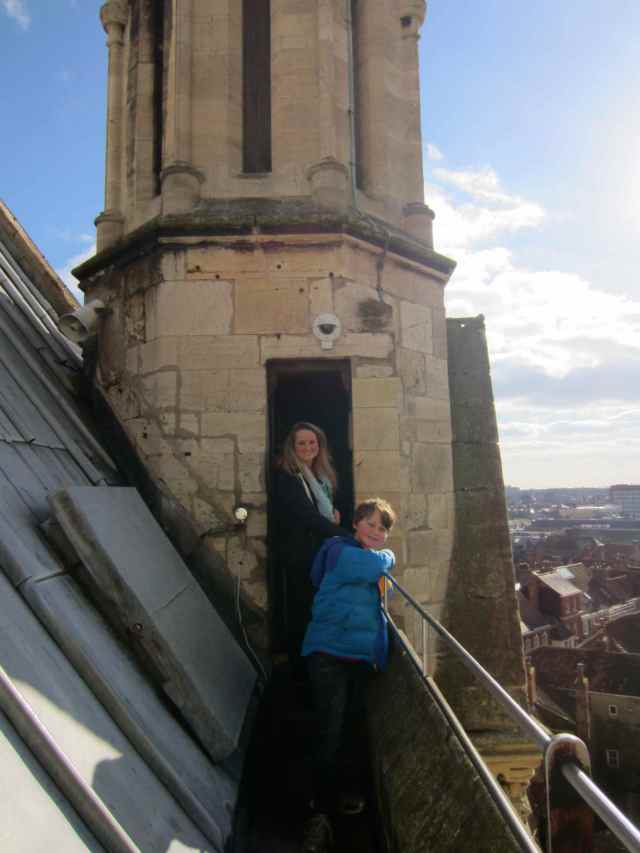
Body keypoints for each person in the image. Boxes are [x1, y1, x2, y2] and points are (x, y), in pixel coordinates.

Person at [300, 498, 396, 853]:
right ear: (355, 524)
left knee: (349, 728)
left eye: (382, 528)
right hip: (328, 653)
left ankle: (335, 799)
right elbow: (374, 567)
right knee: (330, 728)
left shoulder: (354, 553)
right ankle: (318, 812)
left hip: (355, 656)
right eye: (369, 524)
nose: (375, 531)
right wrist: (390, 557)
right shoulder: (340, 551)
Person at [272, 422, 349, 674]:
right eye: (301, 443)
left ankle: (314, 662)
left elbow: (323, 511)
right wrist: (345, 535)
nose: (307, 447)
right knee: (302, 609)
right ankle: (301, 668)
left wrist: (334, 519)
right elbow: (307, 516)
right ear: (292, 447)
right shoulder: (288, 476)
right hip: (299, 554)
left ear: (320, 445)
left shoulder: (319, 476)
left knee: (315, 607)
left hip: (316, 551)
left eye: (312, 442)